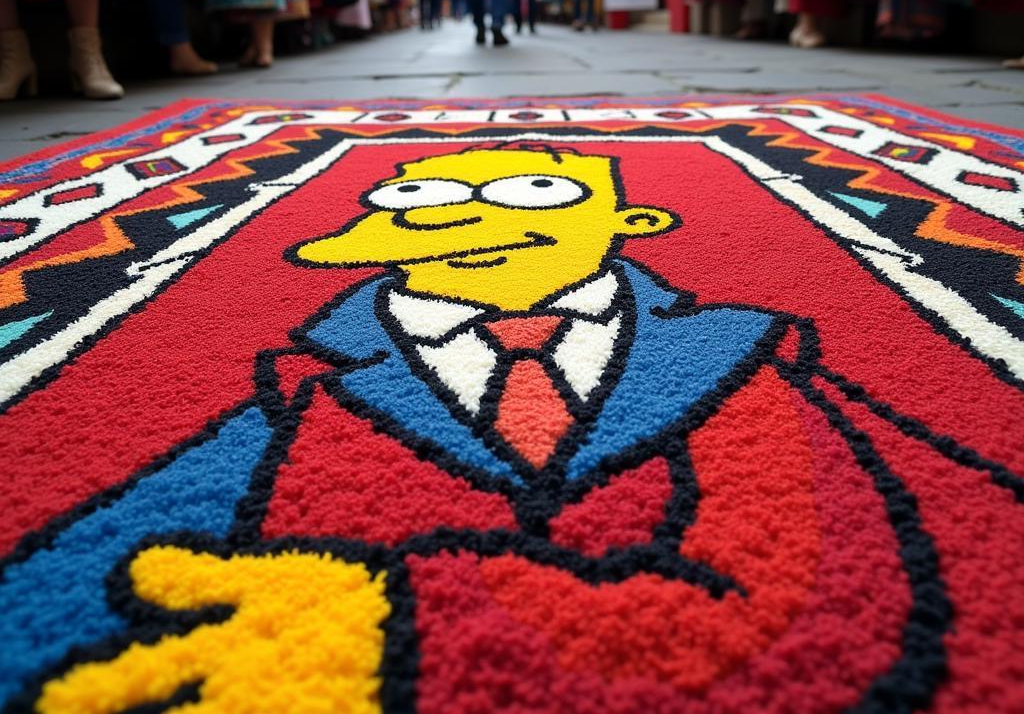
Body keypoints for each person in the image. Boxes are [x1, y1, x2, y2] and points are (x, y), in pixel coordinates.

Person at [10, 140, 1014, 711]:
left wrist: (398, 611)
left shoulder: (737, 361)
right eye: (430, 195)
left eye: (536, 193)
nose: (470, 215)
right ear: (347, 240)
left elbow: (828, 593)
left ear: (636, 225)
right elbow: (110, 553)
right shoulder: (307, 388)